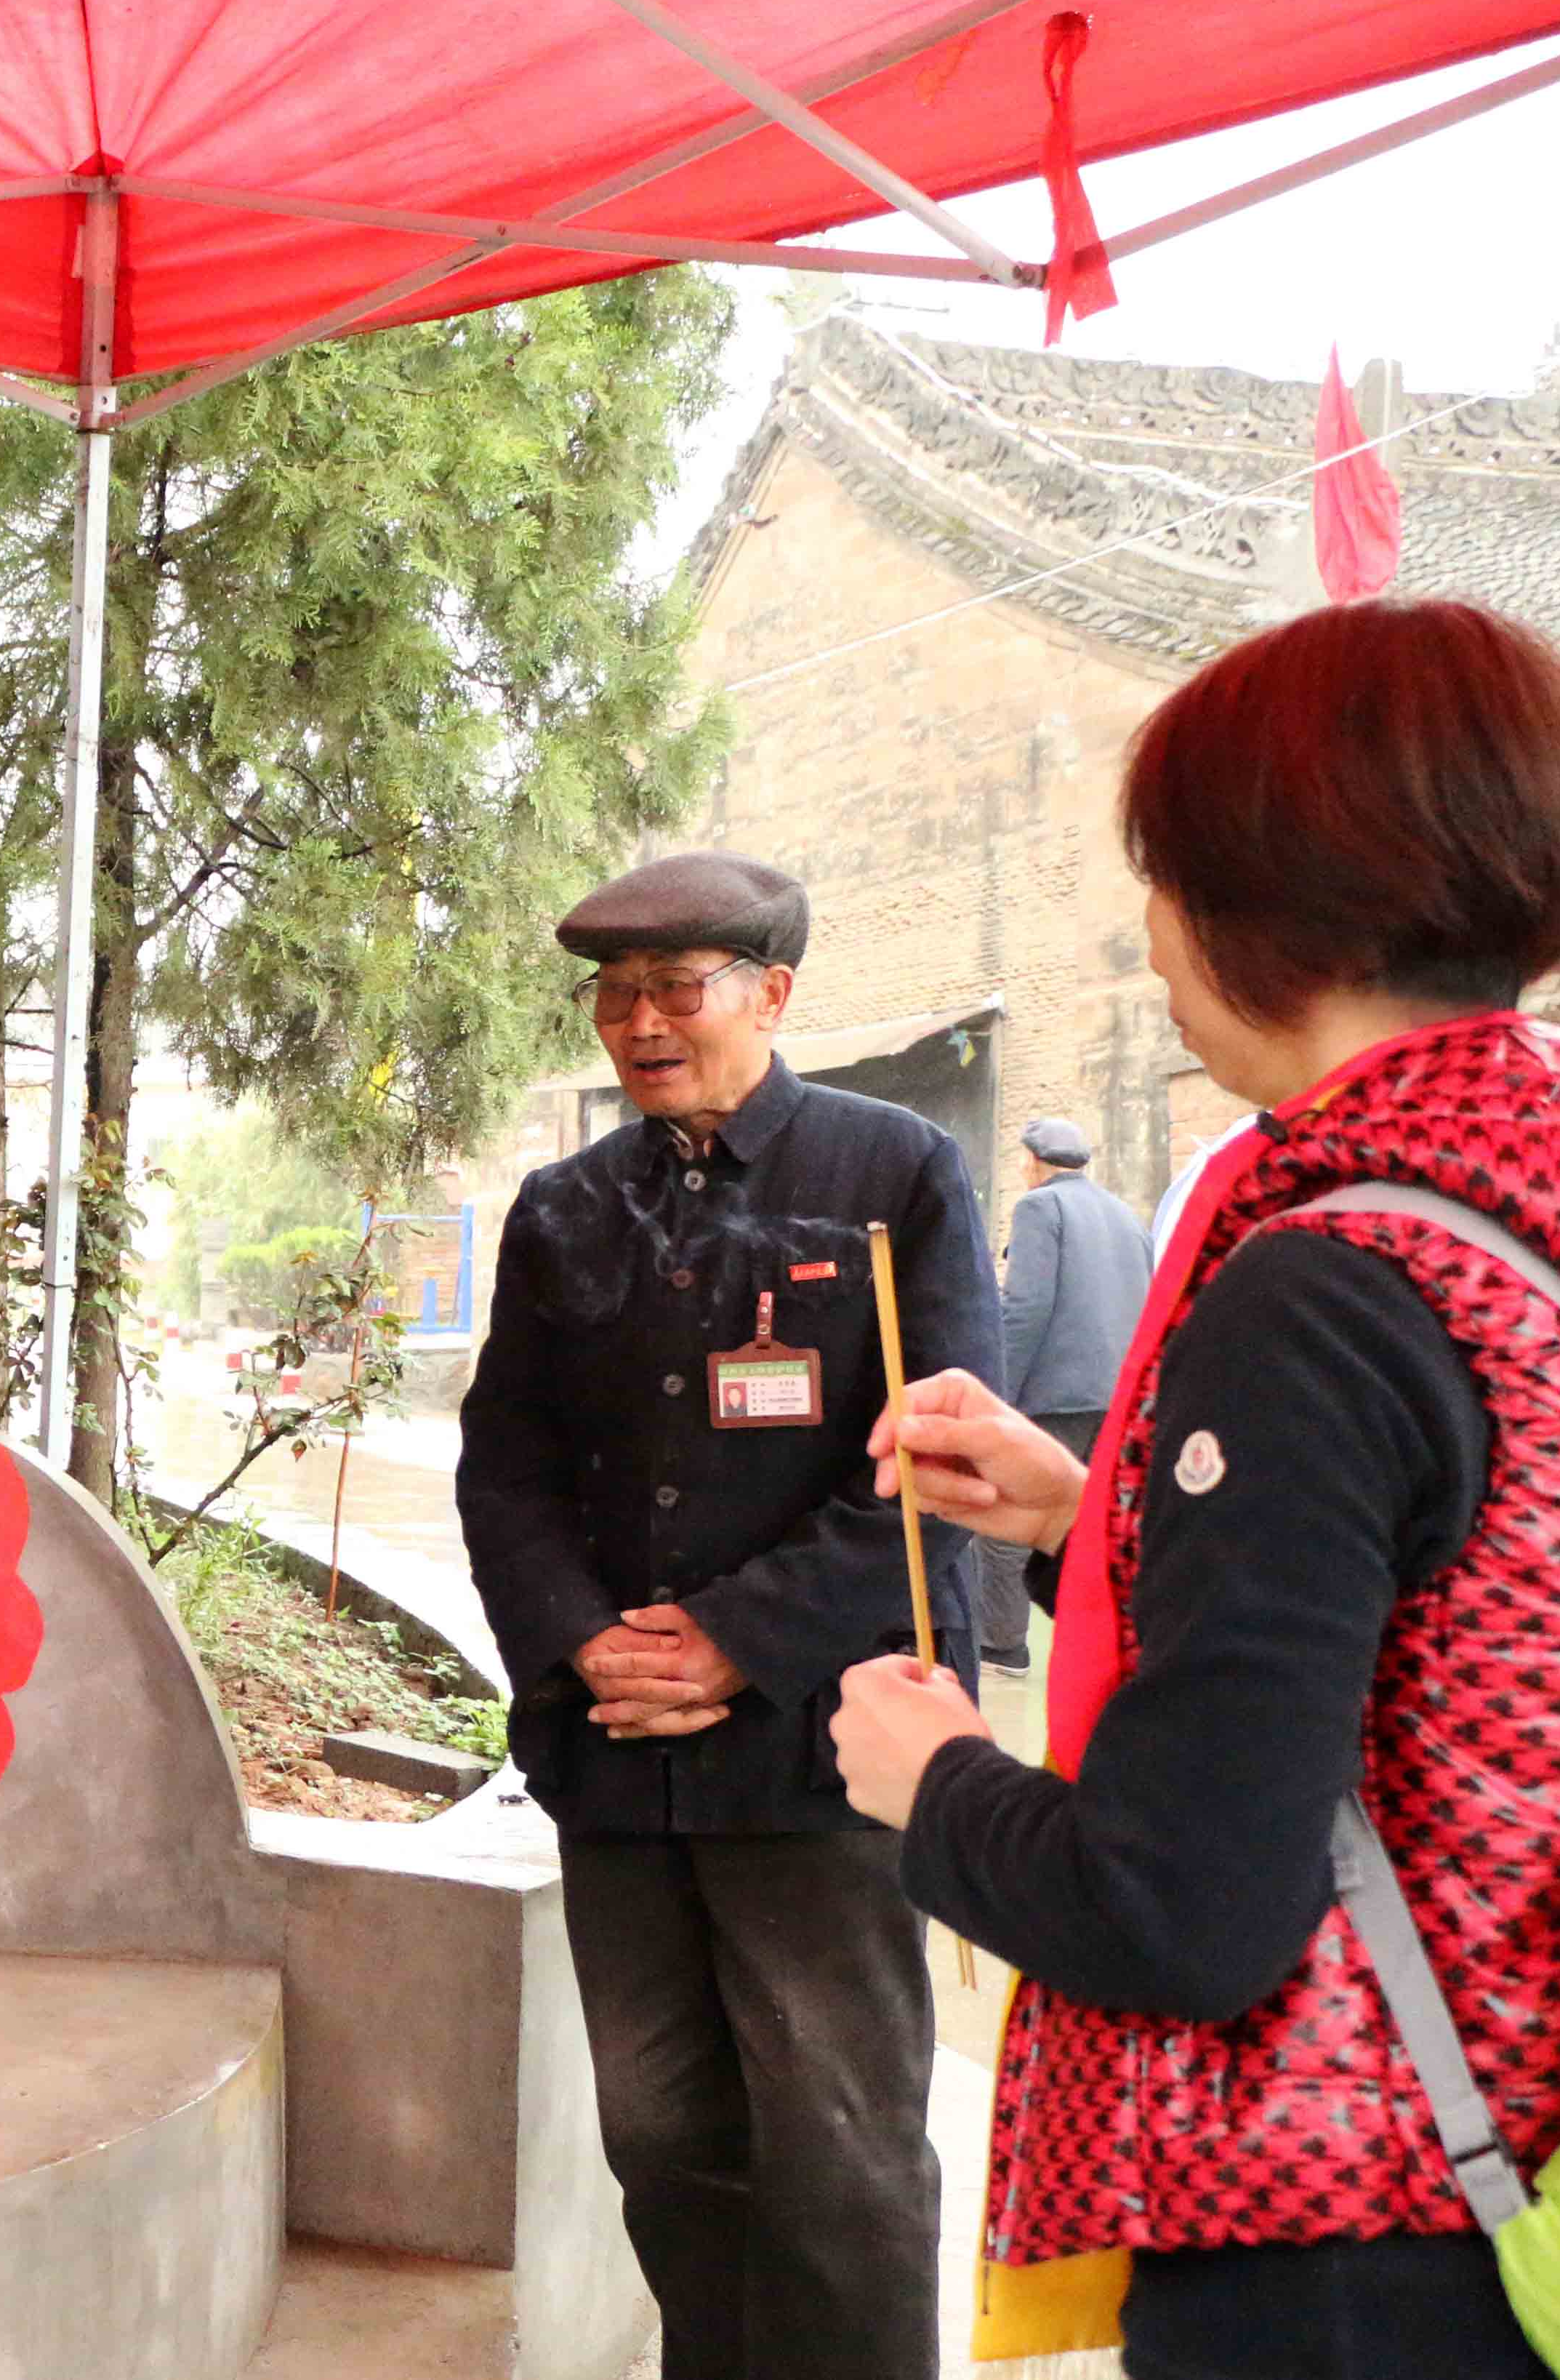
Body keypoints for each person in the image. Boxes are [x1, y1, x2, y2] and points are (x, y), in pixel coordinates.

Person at [829, 598, 1560, 2380]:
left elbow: (1177, 1907)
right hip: (1536, 2139)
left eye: (1161, 877)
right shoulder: (1522, 1188)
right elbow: (1472, 1610)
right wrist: (1080, 1513)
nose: (1148, 933)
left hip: (1362, 2240)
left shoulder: (1324, 1282)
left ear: (1260, 898)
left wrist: (928, 1780)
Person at [459, 847, 997, 2380]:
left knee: (838, 2150)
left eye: (676, 988)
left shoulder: (892, 1175)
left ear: (771, 993)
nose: (639, 1021)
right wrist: (584, 1640)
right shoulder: (563, 1207)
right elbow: (505, 1465)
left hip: (820, 1757)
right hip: (620, 1756)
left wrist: (732, 1641)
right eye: (613, 994)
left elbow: (938, 1468)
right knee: (662, 2136)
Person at [979, 1117, 1152, 1672]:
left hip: (1055, 1396)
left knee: (1005, 1515)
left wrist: (998, 1393)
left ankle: (1002, 1644)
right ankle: (1108, 1641)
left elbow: (1025, 1307)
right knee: (1097, 1522)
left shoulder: (1039, 1207)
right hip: (1118, 1400)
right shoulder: (1124, 1215)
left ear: (1031, 1161)